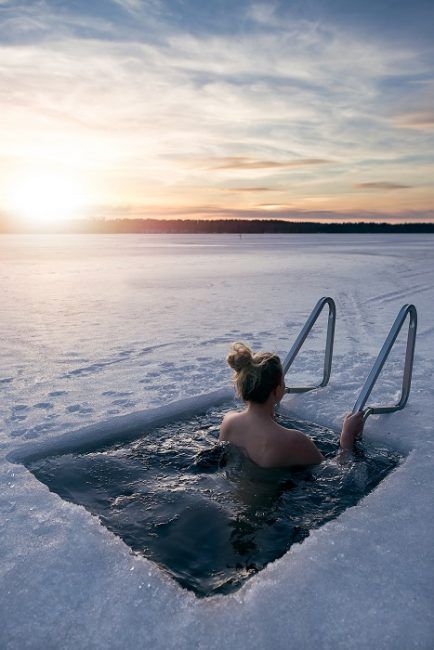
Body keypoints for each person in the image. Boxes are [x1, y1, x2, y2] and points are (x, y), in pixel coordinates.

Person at [219, 342, 364, 468]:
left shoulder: (229, 421)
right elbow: (335, 469)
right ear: (276, 391)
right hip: (267, 500)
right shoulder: (293, 440)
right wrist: (347, 436)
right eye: (283, 382)